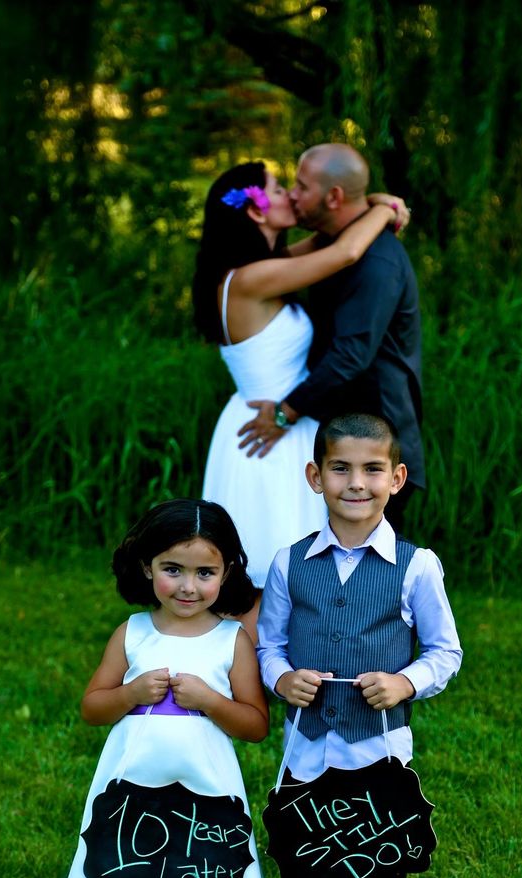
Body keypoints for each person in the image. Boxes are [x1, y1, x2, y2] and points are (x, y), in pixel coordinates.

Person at [257, 414, 462, 878]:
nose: (356, 483)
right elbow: (269, 647)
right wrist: (282, 679)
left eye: (373, 470)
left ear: (396, 479)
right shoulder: (290, 564)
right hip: (309, 755)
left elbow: (444, 652)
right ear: (315, 476)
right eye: (341, 468)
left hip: (378, 755)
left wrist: (404, 683)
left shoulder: (415, 565)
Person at [49, 499, 291, 878]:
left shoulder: (233, 640)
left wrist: (209, 700)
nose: (188, 586)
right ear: (147, 568)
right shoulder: (133, 633)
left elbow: (255, 724)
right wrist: (132, 692)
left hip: (204, 793)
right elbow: (93, 707)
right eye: (172, 570)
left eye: (205, 573)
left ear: (227, 573)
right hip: (133, 792)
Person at [193, 160, 406, 628]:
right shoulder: (248, 279)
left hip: (285, 428)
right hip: (266, 434)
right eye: (278, 188)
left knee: (294, 575)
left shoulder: (269, 267)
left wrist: (367, 203)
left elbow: (333, 240)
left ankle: (286, 686)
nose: (291, 194)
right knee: (261, 579)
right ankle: (246, 693)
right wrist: (387, 207)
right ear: (254, 211)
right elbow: (347, 251)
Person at [239, 144, 424, 531]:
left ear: (334, 196)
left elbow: (351, 355)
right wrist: (380, 204)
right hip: (336, 434)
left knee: (370, 576)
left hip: (372, 441)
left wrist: (283, 413)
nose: (291, 194)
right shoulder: (329, 244)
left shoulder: (376, 261)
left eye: (301, 186)